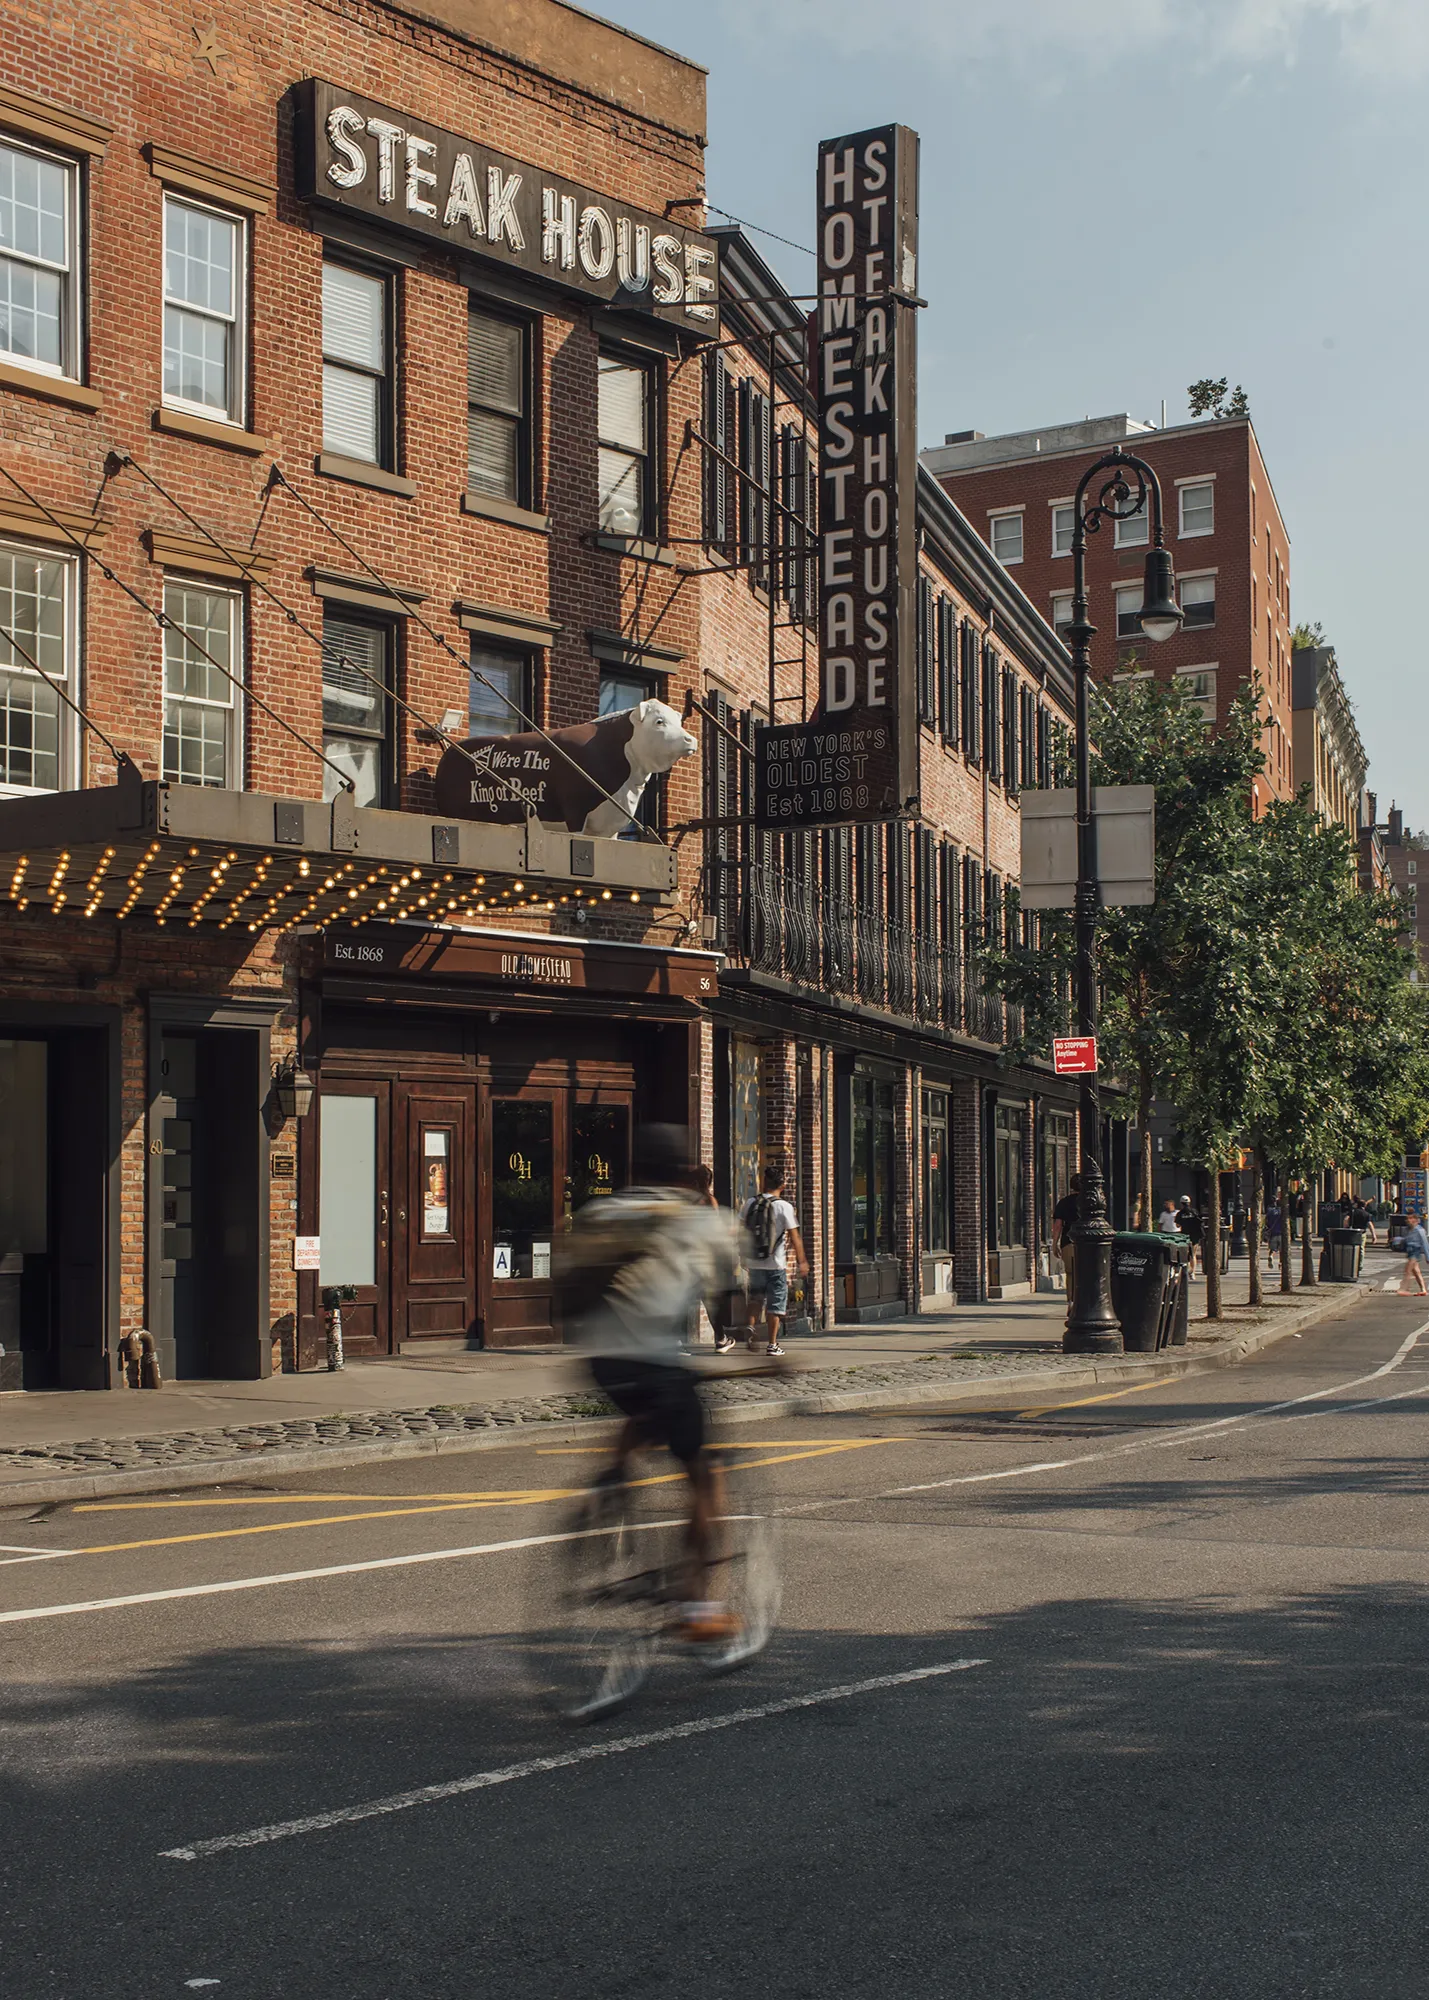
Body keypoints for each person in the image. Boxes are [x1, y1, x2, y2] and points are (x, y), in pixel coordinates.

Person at [558, 1123, 743, 1644]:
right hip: (659, 1361)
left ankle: (613, 1479)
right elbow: (727, 1295)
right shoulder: (698, 1220)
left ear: (632, 1170)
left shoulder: (597, 1213)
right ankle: (700, 1607)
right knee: (707, 1475)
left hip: (602, 1363)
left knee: (645, 1412)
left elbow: (568, 1285)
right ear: (688, 1173)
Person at [740, 1164, 809, 1358]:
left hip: (754, 1262)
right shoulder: (784, 1206)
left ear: (764, 1182)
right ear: (782, 1185)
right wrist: (802, 1261)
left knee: (755, 1299)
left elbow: (741, 1230)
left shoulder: (750, 1203)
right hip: (776, 1264)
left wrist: (742, 1254)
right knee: (775, 1305)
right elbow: (795, 1237)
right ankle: (772, 1344)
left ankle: (750, 1327)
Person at [1052, 1175, 1082, 1325]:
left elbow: (1058, 1225)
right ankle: (1081, 1303)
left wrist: (1055, 1243)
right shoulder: (1091, 1202)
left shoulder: (1064, 1202)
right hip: (1087, 1243)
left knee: (1070, 1274)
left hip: (1068, 1241)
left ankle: (1071, 1301)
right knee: (1084, 1274)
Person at [1400, 1212, 1429, 1297]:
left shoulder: (1420, 1230)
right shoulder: (1408, 1229)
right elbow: (1406, 1240)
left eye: (1410, 1218)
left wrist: (1428, 1257)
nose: (1408, 1220)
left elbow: (1425, 1243)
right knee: (1416, 1272)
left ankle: (1404, 1288)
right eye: (1407, 1218)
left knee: (1408, 1270)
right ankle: (1423, 1289)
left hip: (1415, 1251)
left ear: (1415, 1220)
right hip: (1410, 1251)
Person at [1176, 1196, 1203, 1277]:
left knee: (1185, 1253)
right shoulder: (1194, 1211)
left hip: (1185, 1236)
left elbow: (1177, 1225)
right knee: (1193, 1254)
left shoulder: (1180, 1213)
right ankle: (1193, 1272)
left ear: (1181, 1203)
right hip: (1195, 1235)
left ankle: (1187, 1270)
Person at [1265, 1193, 1283, 1268]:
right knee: (1282, 1251)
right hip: (1281, 1233)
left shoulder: (1269, 1211)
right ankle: (1281, 1263)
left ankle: (1271, 1256)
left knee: (1272, 1249)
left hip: (1273, 1233)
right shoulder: (1281, 1211)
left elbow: (1267, 1222)